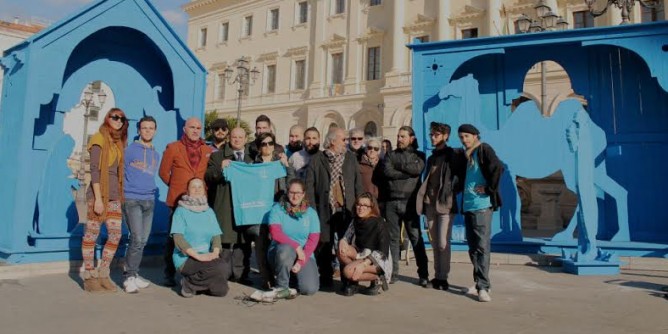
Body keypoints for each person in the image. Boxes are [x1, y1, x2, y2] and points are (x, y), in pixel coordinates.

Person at [306, 127, 363, 289]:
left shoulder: (350, 158)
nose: (346, 142)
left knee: (346, 246)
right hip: (324, 210)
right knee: (324, 244)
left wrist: (361, 207)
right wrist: (312, 210)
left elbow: (357, 184)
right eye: (343, 139)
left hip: (347, 210)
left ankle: (348, 280)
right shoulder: (317, 159)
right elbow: (309, 186)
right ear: (332, 141)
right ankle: (325, 278)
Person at [159, 117, 214, 287]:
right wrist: (177, 187)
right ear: (185, 128)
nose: (195, 130)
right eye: (192, 127)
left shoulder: (207, 149)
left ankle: (194, 271)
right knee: (173, 238)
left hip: (200, 202)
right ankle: (169, 273)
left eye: (198, 127)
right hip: (178, 201)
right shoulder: (173, 147)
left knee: (197, 236)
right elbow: (163, 172)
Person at [80, 108, 129, 292]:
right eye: (114, 117)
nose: (118, 120)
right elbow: (94, 171)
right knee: (91, 235)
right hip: (98, 195)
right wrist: (99, 199)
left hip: (115, 196)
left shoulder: (118, 143)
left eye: (122, 118)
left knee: (115, 235)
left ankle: (103, 273)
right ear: (107, 118)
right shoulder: (98, 138)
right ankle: (89, 275)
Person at [455, 123, 503, 303]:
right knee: (473, 248)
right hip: (468, 205)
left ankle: (484, 287)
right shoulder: (466, 155)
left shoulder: (484, 149)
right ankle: (477, 283)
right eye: (461, 137)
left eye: (467, 136)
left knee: (482, 246)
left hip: (482, 205)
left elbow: (498, 168)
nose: (464, 140)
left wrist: (490, 189)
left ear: (475, 136)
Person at [381, 125, 429, 287]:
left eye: (403, 136)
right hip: (391, 203)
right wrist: (406, 172)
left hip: (410, 203)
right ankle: (393, 273)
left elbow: (417, 169)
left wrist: (398, 166)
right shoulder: (390, 155)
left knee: (416, 238)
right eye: (398, 136)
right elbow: (387, 172)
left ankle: (423, 274)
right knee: (393, 240)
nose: (399, 139)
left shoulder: (420, 155)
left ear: (411, 138)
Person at [205, 127, 253, 284]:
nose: (237, 140)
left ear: (246, 139)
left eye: (240, 137)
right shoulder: (218, 156)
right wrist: (220, 169)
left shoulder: (252, 158)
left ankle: (241, 274)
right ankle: (222, 273)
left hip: (245, 206)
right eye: (234, 137)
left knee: (243, 241)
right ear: (229, 138)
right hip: (225, 204)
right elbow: (208, 176)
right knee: (224, 240)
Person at [250, 132, 294, 288]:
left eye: (270, 143)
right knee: (261, 245)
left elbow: (291, 183)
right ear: (259, 147)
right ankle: (267, 279)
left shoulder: (280, 163)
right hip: (259, 210)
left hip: (278, 209)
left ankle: (282, 276)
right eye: (263, 144)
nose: (267, 146)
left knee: (278, 243)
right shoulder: (253, 166)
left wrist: (287, 166)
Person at [171, 178, 229, 298]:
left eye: (200, 187)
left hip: (207, 255)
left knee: (221, 290)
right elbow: (178, 239)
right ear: (187, 191)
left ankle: (197, 285)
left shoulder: (209, 211)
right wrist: (198, 256)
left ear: (204, 191)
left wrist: (215, 252)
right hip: (187, 258)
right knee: (218, 268)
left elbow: (216, 235)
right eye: (193, 187)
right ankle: (189, 284)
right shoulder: (180, 211)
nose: (197, 190)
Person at [416, 122, 457, 291]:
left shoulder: (452, 155)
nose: (433, 138)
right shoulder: (432, 157)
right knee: (434, 244)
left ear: (445, 136)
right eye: (431, 135)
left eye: (436, 135)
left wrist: (450, 191)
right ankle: (437, 276)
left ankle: (443, 277)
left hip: (445, 205)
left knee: (442, 242)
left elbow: (458, 177)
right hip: (430, 204)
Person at [122, 116, 160, 293]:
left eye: (151, 128)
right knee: (136, 238)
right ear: (138, 130)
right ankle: (129, 276)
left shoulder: (155, 153)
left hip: (149, 200)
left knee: (143, 240)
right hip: (132, 199)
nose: (147, 131)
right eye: (144, 128)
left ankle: (134, 273)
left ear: (155, 131)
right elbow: (119, 172)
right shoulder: (129, 150)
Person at [267, 179, 320, 295]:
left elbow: (313, 240)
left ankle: (293, 279)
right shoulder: (277, 209)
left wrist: (300, 262)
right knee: (285, 249)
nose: (295, 196)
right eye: (292, 192)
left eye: (298, 193)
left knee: (309, 289)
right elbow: (276, 234)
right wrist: (296, 247)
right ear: (287, 192)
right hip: (280, 252)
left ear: (304, 194)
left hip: (304, 254)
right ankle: (281, 286)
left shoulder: (311, 213)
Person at [338, 193, 391, 296]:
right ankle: (353, 282)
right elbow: (346, 236)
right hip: (362, 253)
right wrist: (342, 241)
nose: (361, 208)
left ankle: (378, 277)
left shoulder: (379, 223)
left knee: (347, 272)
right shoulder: (355, 220)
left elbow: (382, 252)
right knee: (342, 251)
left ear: (372, 207)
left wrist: (363, 265)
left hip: (378, 260)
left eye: (365, 205)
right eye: (359, 204)